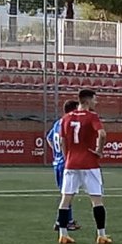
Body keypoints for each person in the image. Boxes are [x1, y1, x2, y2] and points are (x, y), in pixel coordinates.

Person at [55, 89, 111, 244]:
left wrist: (68, 158)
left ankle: (63, 234)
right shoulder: (92, 116)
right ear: (87, 101)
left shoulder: (66, 118)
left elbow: (62, 140)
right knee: (96, 199)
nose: (96, 102)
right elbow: (102, 134)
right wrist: (99, 151)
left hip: (71, 163)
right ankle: (101, 235)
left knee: (66, 199)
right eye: (94, 100)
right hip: (89, 163)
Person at [47, 99, 80, 231]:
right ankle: (64, 221)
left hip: (57, 162)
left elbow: (49, 138)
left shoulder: (57, 123)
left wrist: (56, 153)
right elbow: (62, 141)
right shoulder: (67, 124)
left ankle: (66, 220)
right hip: (64, 163)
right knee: (68, 192)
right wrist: (67, 157)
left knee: (66, 192)